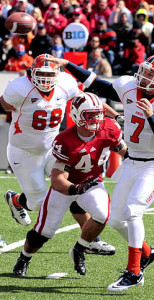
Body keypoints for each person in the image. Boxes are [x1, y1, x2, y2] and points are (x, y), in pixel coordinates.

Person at [43, 54, 154, 291]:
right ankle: (147, 253)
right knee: (115, 220)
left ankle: (134, 272)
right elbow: (96, 83)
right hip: (131, 162)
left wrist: (151, 116)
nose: (145, 76)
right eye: (145, 70)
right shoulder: (129, 86)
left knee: (132, 212)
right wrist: (68, 65)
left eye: (152, 74)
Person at [0, 53, 118, 255]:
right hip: (24, 151)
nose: (46, 79)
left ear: (57, 73)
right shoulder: (19, 87)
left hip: (53, 148)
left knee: (73, 187)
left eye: (50, 74)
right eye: (41, 74)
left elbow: (89, 102)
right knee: (37, 203)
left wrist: (115, 115)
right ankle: (16, 200)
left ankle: (92, 239)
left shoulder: (65, 82)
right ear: (32, 73)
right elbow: (3, 105)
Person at [12, 92, 127, 276]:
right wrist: (74, 189)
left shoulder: (110, 128)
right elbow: (57, 180)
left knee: (102, 214)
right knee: (44, 231)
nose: (95, 119)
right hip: (68, 185)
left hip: (92, 182)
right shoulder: (65, 140)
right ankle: (24, 258)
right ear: (76, 115)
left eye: (97, 114)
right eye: (89, 115)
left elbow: (123, 151)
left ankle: (79, 249)